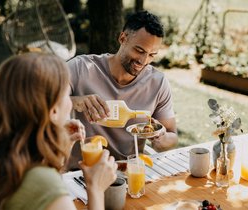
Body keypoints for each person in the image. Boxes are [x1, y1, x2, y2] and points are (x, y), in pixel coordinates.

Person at [0, 53, 117, 210]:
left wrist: (59, 151)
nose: (71, 103)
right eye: (67, 96)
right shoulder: (44, 185)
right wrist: (96, 189)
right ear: (53, 110)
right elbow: (44, 187)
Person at [67, 10, 178, 170]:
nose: (143, 60)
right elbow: (39, 102)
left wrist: (161, 138)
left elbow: (172, 135)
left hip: (128, 174)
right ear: (122, 38)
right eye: (139, 51)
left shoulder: (158, 83)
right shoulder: (81, 68)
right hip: (80, 172)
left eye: (151, 55)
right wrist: (74, 101)